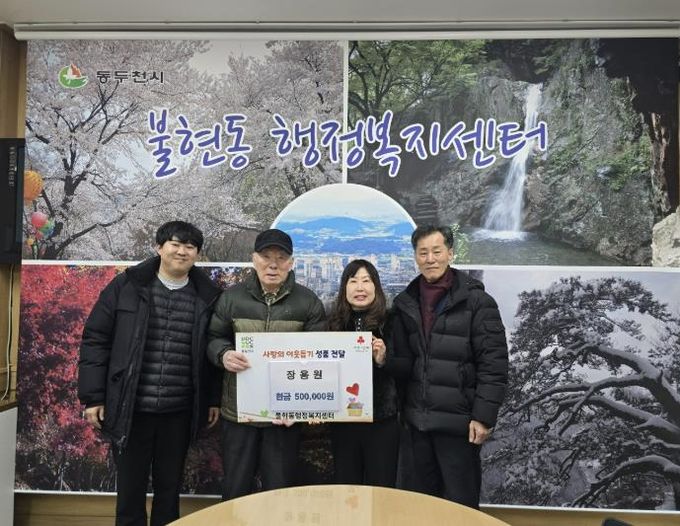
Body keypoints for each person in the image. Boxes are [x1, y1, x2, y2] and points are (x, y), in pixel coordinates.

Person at [78, 221, 221, 526]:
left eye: (190, 247)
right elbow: (95, 339)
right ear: (159, 247)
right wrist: (93, 397)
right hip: (131, 409)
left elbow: (214, 351)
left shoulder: (208, 296)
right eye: (175, 244)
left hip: (179, 412)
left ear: (197, 254)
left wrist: (212, 399)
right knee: (130, 491)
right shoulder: (126, 286)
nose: (181, 251)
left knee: (170, 491)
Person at [387, 225, 508, 509]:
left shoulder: (477, 302)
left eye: (436, 251)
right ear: (415, 257)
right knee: (420, 507)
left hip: (459, 426)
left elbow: (494, 363)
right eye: (423, 253)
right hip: (418, 424)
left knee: (460, 507)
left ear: (450, 254)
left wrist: (483, 417)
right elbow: (405, 363)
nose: (430, 259)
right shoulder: (406, 303)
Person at [207, 228, 326, 500]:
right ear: (254, 259)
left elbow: (317, 356)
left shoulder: (308, 302)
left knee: (279, 491)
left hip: (284, 416)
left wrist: (300, 406)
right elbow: (213, 337)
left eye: (281, 258)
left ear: (291, 263)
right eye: (266, 257)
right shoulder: (232, 298)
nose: (273, 265)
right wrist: (223, 354)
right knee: (236, 489)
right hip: (239, 411)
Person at [327, 259, 399, 487]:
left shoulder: (392, 321)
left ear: (376, 286)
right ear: (344, 288)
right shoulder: (332, 323)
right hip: (343, 420)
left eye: (366, 281)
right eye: (353, 281)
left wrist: (383, 360)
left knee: (381, 486)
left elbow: (406, 366)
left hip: (381, 420)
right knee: (346, 486)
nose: (360, 288)